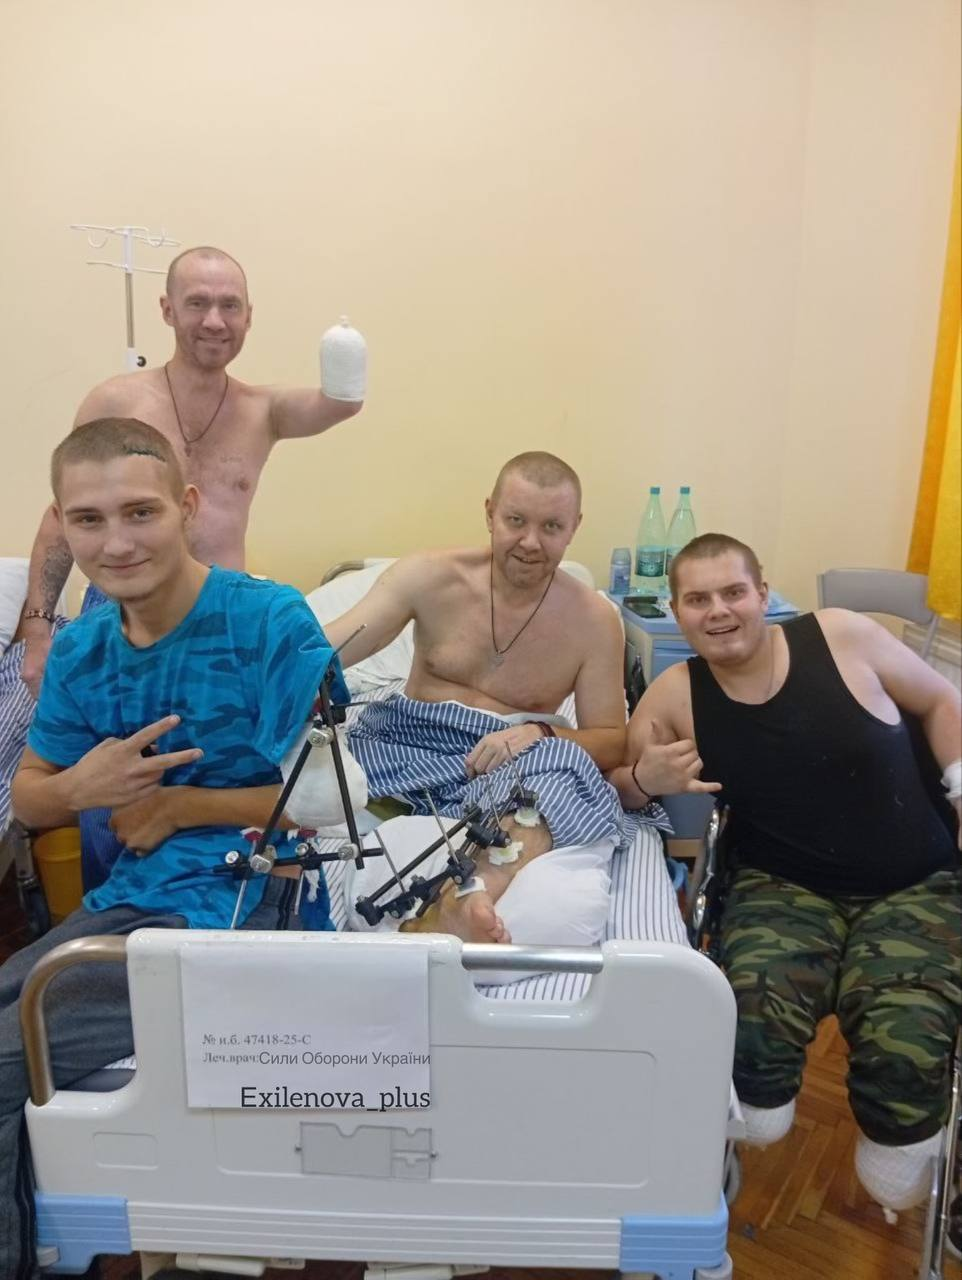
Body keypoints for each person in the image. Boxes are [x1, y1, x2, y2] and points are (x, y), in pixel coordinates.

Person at [1, 418, 348, 1279]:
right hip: (139, 899)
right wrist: (82, 788)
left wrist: (180, 805)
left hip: (247, 901)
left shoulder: (268, 623)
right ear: (63, 525)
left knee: (6, 1055)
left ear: (187, 507)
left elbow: (327, 801)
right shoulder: (82, 650)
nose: (116, 544)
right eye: (88, 520)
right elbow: (29, 794)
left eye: (140, 512)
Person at [610, 531, 961, 1214]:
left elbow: (942, 701)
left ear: (763, 595)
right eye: (698, 599)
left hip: (914, 881)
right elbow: (623, 786)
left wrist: (961, 789)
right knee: (747, 1031)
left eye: (733, 592)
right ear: (677, 613)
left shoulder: (842, 636)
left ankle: (902, 1155)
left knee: (906, 1045)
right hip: (783, 887)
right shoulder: (675, 694)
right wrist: (645, 779)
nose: (719, 610)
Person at [325, 451, 656, 948]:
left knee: (567, 768)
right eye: (516, 521)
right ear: (489, 513)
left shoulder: (594, 620)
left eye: (551, 526)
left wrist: (537, 732)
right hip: (406, 752)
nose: (530, 542)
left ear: (574, 528)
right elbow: (328, 652)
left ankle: (460, 901)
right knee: (318, 766)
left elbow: (612, 741)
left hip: (514, 768)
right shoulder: (428, 577)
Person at [20, 245, 365, 698]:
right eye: (197, 303)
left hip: (218, 621)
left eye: (230, 306)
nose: (215, 321)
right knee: (105, 739)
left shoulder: (265, 410)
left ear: (249, 316)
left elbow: (338, 404)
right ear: (168, 310)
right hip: (123, 613)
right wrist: (38, 633)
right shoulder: (115, 403)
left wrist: (345, 352)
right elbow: (64, 519)